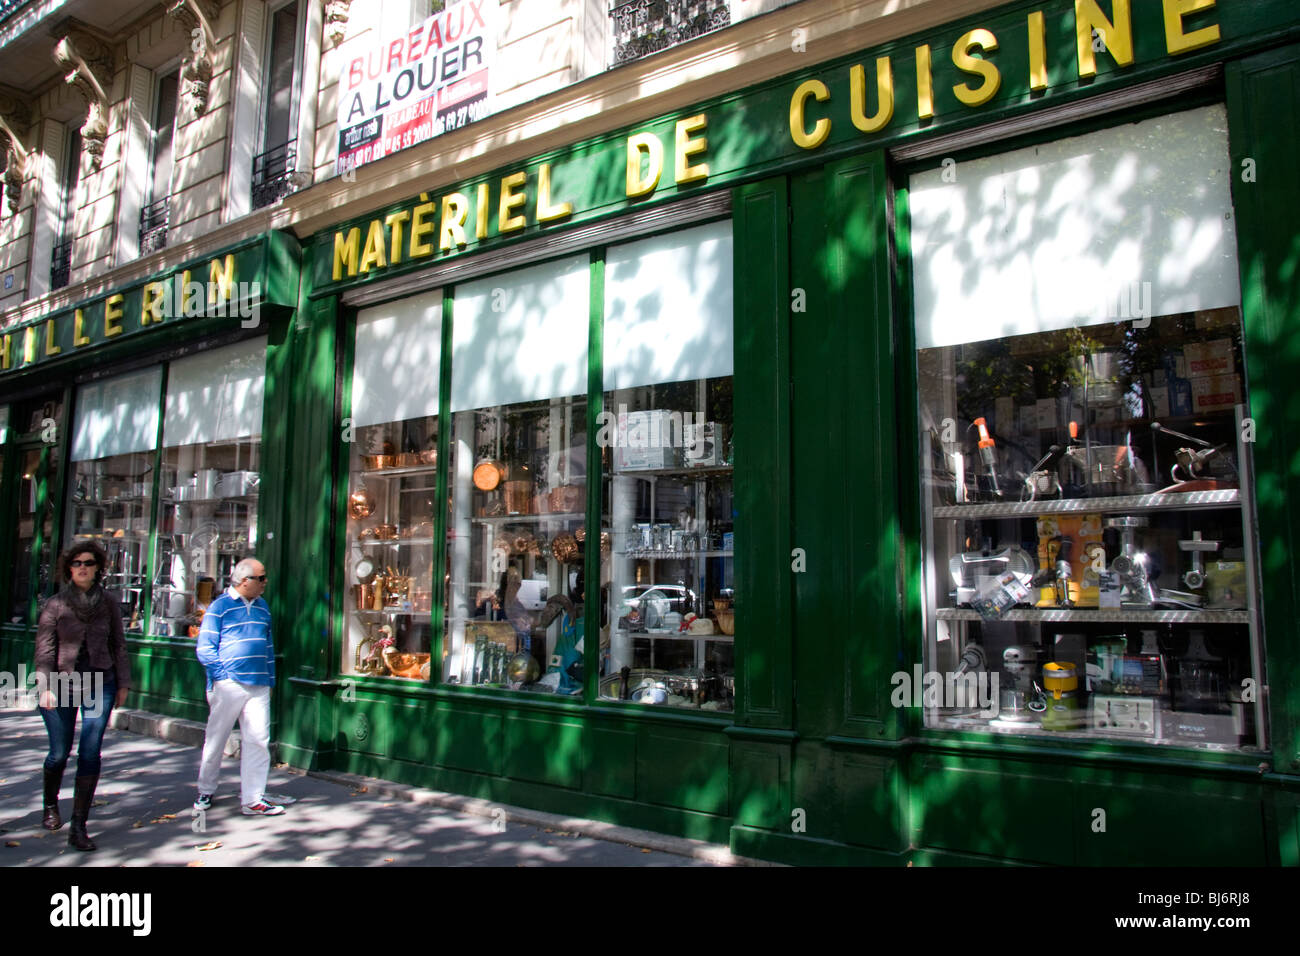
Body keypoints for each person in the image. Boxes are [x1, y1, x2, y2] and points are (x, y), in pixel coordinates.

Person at [34, 540, 131, 851]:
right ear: (68, 569)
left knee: (90, 752)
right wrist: (45, 686)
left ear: (98, 568)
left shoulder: (109, 603)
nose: (83, 567)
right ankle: (51, 804)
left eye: (88, 562)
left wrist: (123, 683)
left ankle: (79, 825)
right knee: (59, 753)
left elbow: (119, 644)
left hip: (100, 681)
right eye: (77, 563)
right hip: (61, 682)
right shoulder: (55, 605)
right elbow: (45, 651)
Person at [193, 557, 283, 816]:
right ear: (245, 581)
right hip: (229, 682)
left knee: (258, 740)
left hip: (259, 682)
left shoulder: (263, 607)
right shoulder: (220, 607)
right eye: (261, 578)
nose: (265, 582)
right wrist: (222, 676)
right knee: (217, 738)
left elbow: (268, 645)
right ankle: (206, 790)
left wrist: (270, 678)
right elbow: (206, 648)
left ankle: (253, 798)